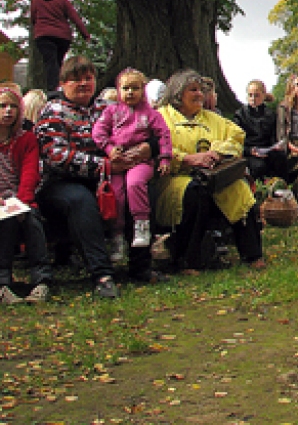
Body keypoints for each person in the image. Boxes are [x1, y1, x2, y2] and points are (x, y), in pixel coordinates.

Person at [35, 56, 160, 298]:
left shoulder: (108, 108)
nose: (83, 84)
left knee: (143, 189)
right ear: (63, 83)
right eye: (76, 80)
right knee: (81, 200)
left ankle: (140, 266)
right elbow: (56, 156)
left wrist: (149, 148)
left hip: (108, 174)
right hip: (61, 183)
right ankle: (102, 274)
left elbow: (148, 128)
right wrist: (104, 165)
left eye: (88, 78)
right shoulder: (52, 111)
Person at [153, 69, 265, 273]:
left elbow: (237, 137)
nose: (199, 94)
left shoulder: (212, 119)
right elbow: (155, 146)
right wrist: (187, 159)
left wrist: (218, 152)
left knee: (239, 191)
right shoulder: (161, 118)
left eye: (201, 90)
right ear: (178, 93)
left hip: (214, 176)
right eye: (193, 90)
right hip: (175, 178)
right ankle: (189, 260)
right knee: (194, 192)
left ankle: (252, 254)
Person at [92, 68, 173, 253]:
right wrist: (109, 149)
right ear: (118, 90)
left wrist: (165, 159)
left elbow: (164, 135)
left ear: (142, 90)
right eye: (126, 88)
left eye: (135, 88)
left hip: (140, 162)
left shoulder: (151, 114)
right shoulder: (111, 111)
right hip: (118, 160)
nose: (130, 92)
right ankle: (117, 235)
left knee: (135, 184)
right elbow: (98, 132)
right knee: (117, 194)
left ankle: (142, 225)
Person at [0, 85, 51, 304]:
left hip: (20, 198)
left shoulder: (27, 139)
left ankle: (41, 281)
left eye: (13, 106)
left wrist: (21, 203)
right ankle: (2, 284)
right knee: (5, 224)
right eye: (2, 106)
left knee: (31, 221)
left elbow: (30, 173)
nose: (8, 111)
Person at [30, 0, 91, 92]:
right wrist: (85, 34)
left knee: (50, 62)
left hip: (43, 36)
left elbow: (33, 18)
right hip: (62, 37)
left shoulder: (36, 0)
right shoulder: (62, 0)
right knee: (58, 62)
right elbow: (75, 18)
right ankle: (59, 86)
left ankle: (53, 88)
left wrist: (39, 28)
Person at [234, 79, 287, 181]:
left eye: (256, 95)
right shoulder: (240, 115)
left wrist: (275, 147)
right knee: (258, 166)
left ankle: (282, 187)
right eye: (250, 95)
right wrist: (249, 151)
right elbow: (236, 141)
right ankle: (259, 191)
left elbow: (272, 138)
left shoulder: (270, 114)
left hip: (266, 149)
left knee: (281, 158)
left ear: (263, 95)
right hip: (250, 152)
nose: (253, 98)